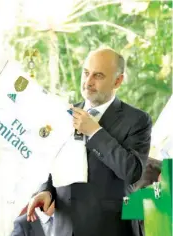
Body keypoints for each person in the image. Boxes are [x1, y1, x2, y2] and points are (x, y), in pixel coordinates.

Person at [26, 48, 152, 236]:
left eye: (98, 75)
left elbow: (132, 172)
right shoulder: (64, 113)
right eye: (86, 73)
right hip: (63, 227)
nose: (88, 82)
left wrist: (95, 132)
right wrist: (46, 191)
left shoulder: (137, 120)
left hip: (110, 229)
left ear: (118, 81)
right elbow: (52, 164)